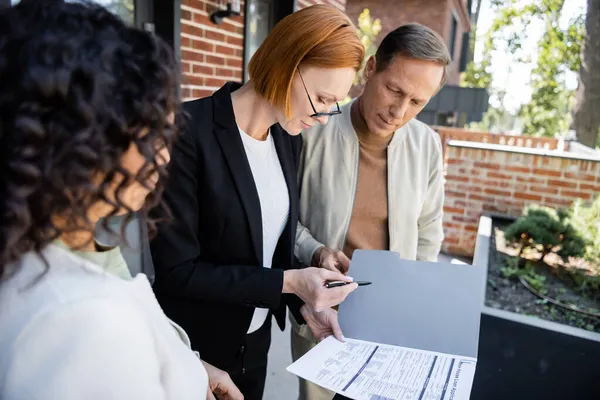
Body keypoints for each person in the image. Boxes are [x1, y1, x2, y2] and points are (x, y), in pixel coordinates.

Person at [0, 2, 241, 399]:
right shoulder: (84, 319)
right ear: (78, 137)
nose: (163, 157)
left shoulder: (41, 244)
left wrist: (194, 368)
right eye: (149, 136)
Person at [149, 4, 365, 399]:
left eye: (333, 104)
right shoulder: (187, 133)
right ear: (287, 63)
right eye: (321, 97)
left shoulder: (288, 139)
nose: (322, 117)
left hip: (255, 348)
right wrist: (290, 283)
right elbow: (177, 271)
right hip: (193, 353)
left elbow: (268, 250)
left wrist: (305, 303)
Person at [292, 23, 451, 400]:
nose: (399, 111)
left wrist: (417, 295)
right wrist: (313, 250)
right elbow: (283, 220)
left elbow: (429, 230)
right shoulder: (310, 132)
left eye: (417, 102)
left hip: (393, 316)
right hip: (321, 310)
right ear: (370, 69)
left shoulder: (427, 144)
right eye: (394, 90)